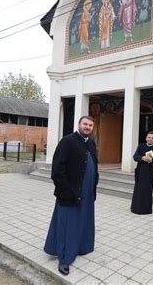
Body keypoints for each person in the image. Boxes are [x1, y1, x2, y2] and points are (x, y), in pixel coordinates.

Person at [44, 116, 99, 276]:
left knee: (83, 222)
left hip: (87, 193)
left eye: (90, 125)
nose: (87, 127)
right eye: (85, 124)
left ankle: (82, 247)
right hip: (70, 194)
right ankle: (64, 259)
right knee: (66, 226)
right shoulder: (67, 141)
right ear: (79, 125)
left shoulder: (91, 143)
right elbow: (57, 170)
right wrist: (65, 192)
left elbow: (94, 166)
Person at [131, 131, 153, 214]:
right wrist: (142, 158)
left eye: (152, 138)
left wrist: (151, 160)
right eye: (149, 137)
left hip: (150, 173)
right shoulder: (141, 146)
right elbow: (135, 157)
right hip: (140, 172)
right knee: (138, 190)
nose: (150, 139)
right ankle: (135, 208)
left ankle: (146, 209)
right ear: (146, 138)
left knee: (148, 191)